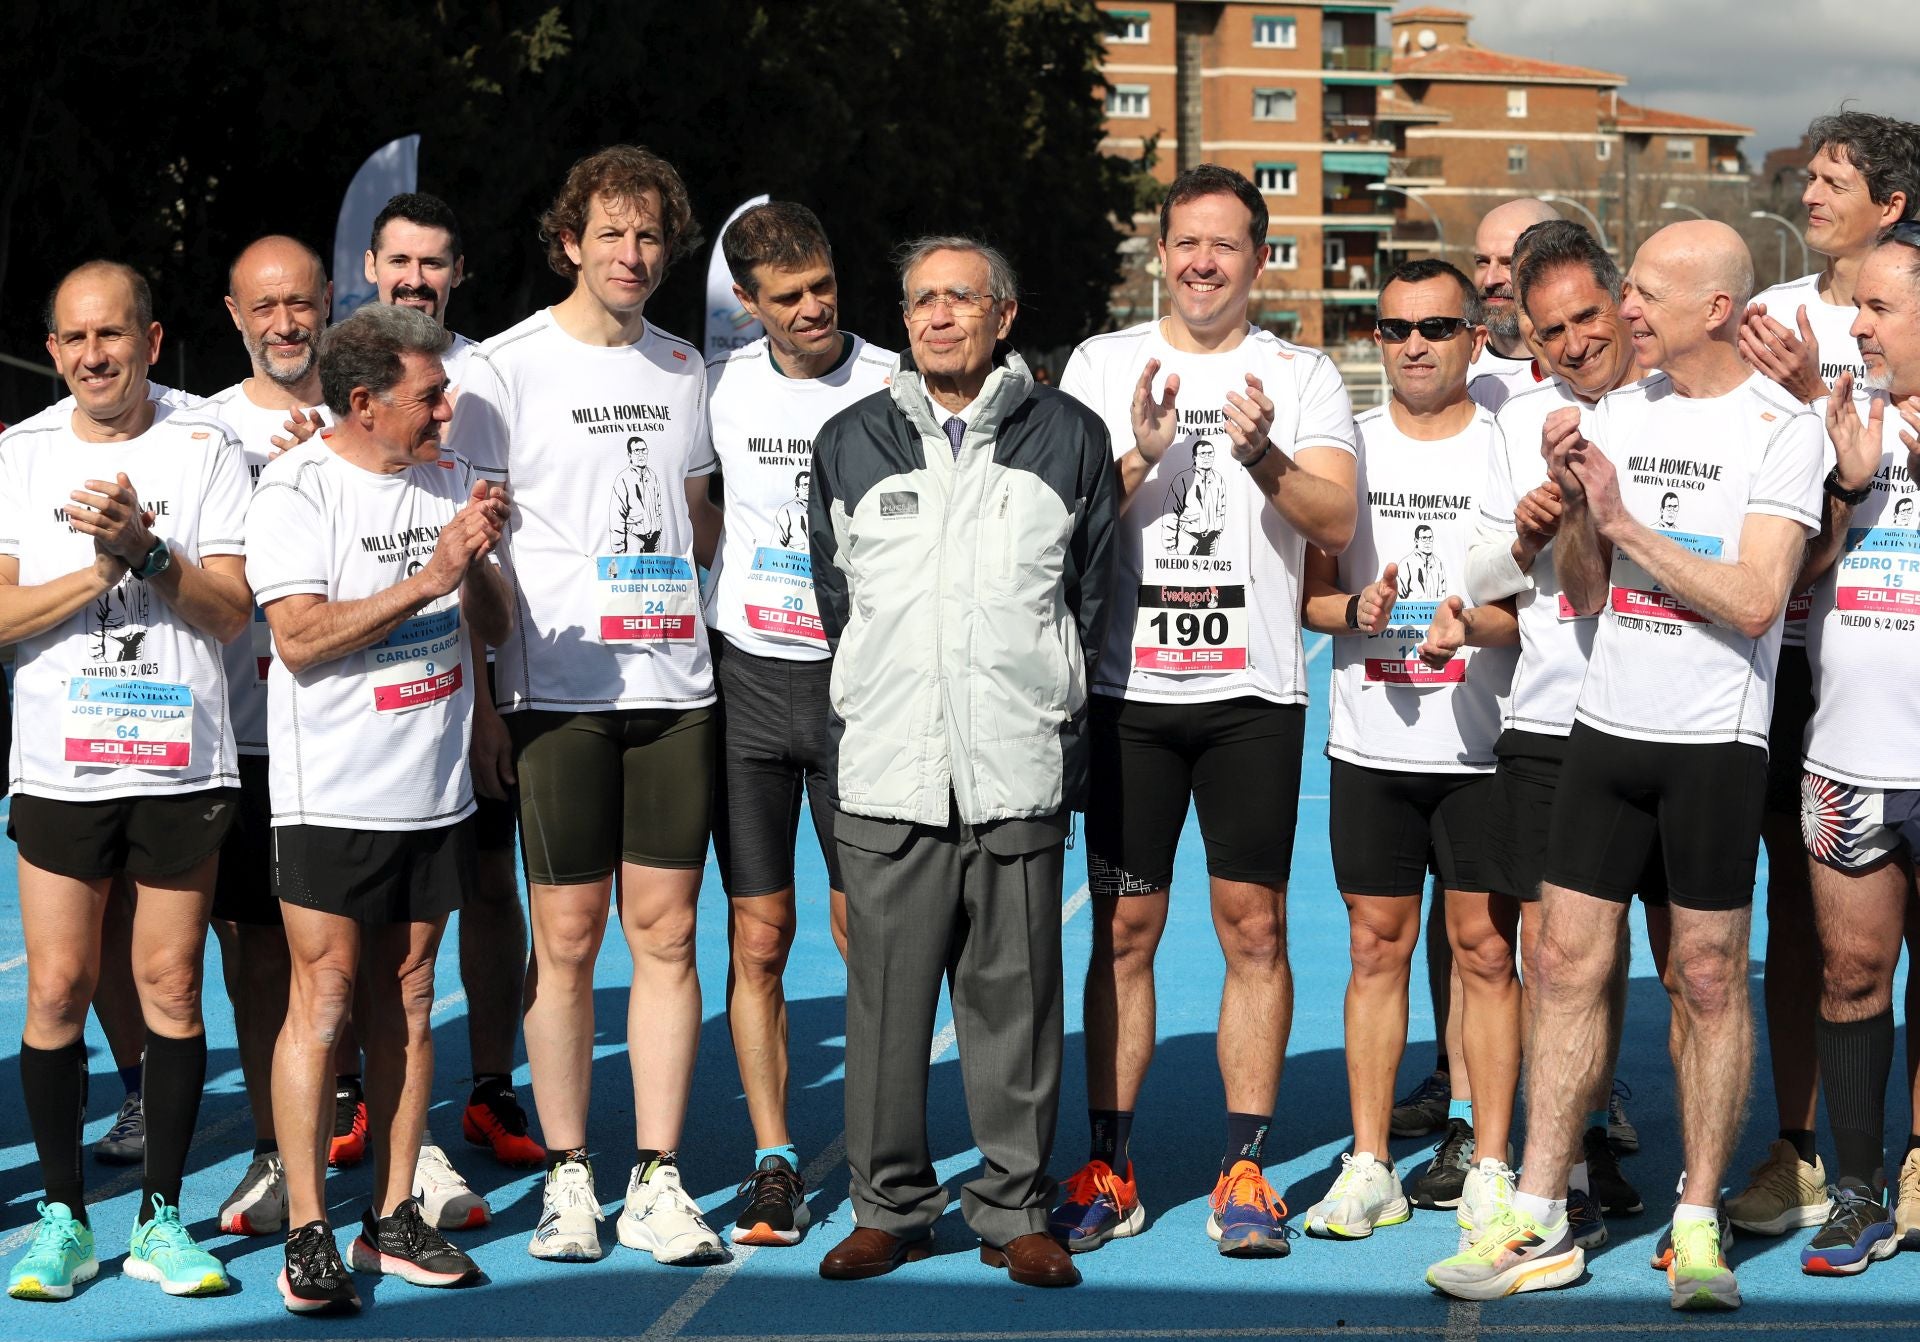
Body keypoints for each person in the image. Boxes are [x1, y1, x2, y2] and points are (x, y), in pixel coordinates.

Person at [1431, 221, 1825, 1310]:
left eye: (1645, 290)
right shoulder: (1614, 415)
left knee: (1704, 975)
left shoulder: (1781, 429)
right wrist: (1568, 515)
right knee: (1560, 962)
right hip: (1605, 726)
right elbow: (1591, 592)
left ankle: (1697, 1219)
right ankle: (1545, 1216)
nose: (1629, 310)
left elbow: (1754, 599)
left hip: (1713, 741)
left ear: (1712, 307)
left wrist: (1624, 520)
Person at [1053, 164, 1356, 1258]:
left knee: (1254, 929)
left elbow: (1336, 512)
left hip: (1249, 701)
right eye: (1186, 241)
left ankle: (1245, 1167)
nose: (1202, 261)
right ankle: (1109, 1162)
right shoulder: (1099, 365)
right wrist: (1136, 447)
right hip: (1127, 697)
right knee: (1125, 930)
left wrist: (1262, 449)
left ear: (1258, 259)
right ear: (1161, 250)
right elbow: (1065, 517)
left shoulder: (1303, 374)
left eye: (1224, 244)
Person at [811, 235, 1114, 1288]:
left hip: (1016, 769)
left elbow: (1088, 596)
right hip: (891, 769)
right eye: (921, 301)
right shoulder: (849, 440)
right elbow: (838, 601)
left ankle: (1014, 1207)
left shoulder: (1069, 436)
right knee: (885, 1012)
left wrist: (1046, 713)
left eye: (961, 299)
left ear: (1005, 314)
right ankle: (888, 1205)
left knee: (1016, 1009)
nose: (939, 316)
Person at [452, 145, 725, 1266]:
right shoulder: (501, 369)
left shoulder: (683, 368)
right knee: (565, 939)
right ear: (570, 241)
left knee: (666, 934)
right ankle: (572, 1173)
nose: (632, 253)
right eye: (610, 233)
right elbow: (469, 546)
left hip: (675, 689)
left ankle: (656, 1175)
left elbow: (700, 524)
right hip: (555, 691)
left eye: (650, 235)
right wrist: (482, 696)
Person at [3, 261, 252, 1301]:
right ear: (54, 351)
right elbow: (4, 619)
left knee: (170, 987)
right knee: (59, 984)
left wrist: (150, 554)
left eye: (114, 336)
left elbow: (233, 611)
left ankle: (160, 1220)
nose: (94, 356)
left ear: (153, 344)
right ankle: (62, 1215)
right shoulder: (19, 453)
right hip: (62, 763)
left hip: (179, 759)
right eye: (75, 339)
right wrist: (98, 572)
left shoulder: (205, 448)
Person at [249, 303, 506, 1313]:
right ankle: (309, 1229)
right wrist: (432, 572)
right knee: (324, 1000)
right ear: (362, 402)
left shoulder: (447, 477)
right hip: (333, 792)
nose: (449, 408)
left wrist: (480, 560)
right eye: (430, 394)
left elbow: (488, 622)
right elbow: (303, 638)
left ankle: (394, 1212)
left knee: (409, 990)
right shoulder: (296, 488)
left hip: (431, 787)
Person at [1729, 112, 1920, 1238]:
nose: (1810, 192)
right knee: (1820, 942)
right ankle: (1820, 1162)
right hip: (1813, 688)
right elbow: (1783, 540)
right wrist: (1832, 461)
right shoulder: (1794, 337)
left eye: (1834, 179)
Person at [1298, 258, 1517, 1243]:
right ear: (1373, 340)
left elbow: (1537, 615)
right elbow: (1308, 597)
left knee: (1484, 951)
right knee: (1374, 948)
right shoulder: (1347, 448)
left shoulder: (1508, 450)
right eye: (1394, 329)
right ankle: (1370, 1160)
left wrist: (1472, 628)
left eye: (1436, 325)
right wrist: (1360, 607)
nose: (1415, 343)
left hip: (1481, 748)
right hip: (1373, 743)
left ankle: (1491, 1159)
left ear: (1475, 335)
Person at [701, 200, 892, 1246]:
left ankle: (878, 1145)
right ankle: (775, 1157)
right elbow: (693, 509)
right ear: (748, 304)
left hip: (860, 691)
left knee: (869, 928)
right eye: (790, 298)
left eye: (823, 285)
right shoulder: (720, 388)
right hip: (750, 685)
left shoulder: (890, 380)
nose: (815, 308)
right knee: (759, 937)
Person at [1462, 220, 1655, 1252]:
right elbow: (1481, 577)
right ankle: (1569, 1164)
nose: (1578, 342)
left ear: (1622, 299)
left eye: (1589, 316)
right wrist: (1528, 531)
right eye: (1554, 331)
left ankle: (1656, 1159)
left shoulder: (1681, 402)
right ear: (1530, 343)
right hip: (1549, 711)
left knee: (1683, 954)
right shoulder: (1519, 417)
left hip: (1674, 713)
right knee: (1552, 949)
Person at [366, 190, 544, 1177]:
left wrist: (485, 705)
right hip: (359, 699)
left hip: (469, 677)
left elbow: (493, 539)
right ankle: (365, 1093)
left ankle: (488, 1085)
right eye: (401, 262)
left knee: (486, 884)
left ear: (458, 273)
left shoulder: (487, 381)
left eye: (434, 264)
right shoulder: (339, 373)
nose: (416, 279)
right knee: (363, 907)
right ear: (371, 266)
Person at [201, 235, 337, 1238]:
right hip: (238, 737)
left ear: (328, 300)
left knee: (365, 953)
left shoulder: (368, 412)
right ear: (235, 314)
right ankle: (267, 1140)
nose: (285, 322)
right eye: (266, 306)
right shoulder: (196, 431)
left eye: (300, 302)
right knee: (251, 948)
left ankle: (386, 1130)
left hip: (348, 734)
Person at [1793, 225, 1920, 1273]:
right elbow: (1795, 575)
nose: (1858, 326)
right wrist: (1842, 482)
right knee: (1849, 971)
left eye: (1878, 309)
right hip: (1849, 757)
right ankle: (1858, 1190)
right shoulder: (1837, 422)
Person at [1466, 198, 1559, 413]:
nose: (1490, 280)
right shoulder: (1457, 375)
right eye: (1482, 262)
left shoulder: (1595, 368)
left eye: (1508, 263)